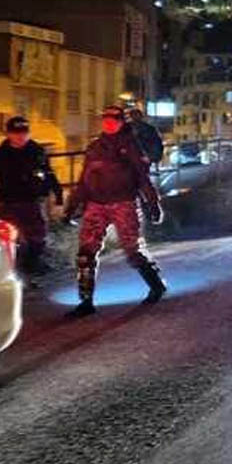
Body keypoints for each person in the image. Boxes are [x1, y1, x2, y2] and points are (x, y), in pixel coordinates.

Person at [63, 106, 166, 317]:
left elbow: (142, 177)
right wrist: (71, 208)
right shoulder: (95, 147)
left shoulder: (131, 146)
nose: (109, 122)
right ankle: (86, 301)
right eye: (106, 119)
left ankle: (156, 285)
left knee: (133, 250)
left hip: (124, 202)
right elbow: (84, 180)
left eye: (114, 119)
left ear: (121, 122)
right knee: (85, 254)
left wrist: (153, 203)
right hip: (96, 203)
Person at [0, 116, 63, 276]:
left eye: (24, 132)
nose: (21, 136)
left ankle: (32, 266)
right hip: (8, 202)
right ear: (9, 133)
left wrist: (58, 193)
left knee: (37, 236)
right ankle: (12, 268)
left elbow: (48, 172)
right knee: (8, 237)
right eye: (16, 133)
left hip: (32, 201)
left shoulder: (37, 151)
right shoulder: (2, 153)